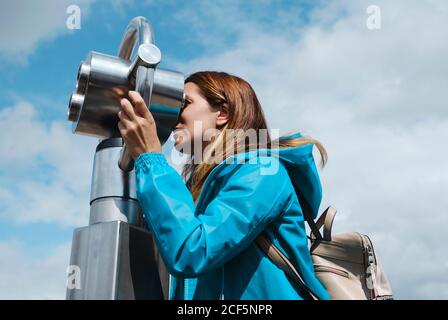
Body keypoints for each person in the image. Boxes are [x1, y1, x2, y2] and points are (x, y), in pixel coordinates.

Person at [117, 71, 331, 300]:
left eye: (184, 104)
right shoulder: (200, 190)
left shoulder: (262, 171)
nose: (175, 117)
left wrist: (150, 159)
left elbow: (192, 252)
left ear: (222, 113)